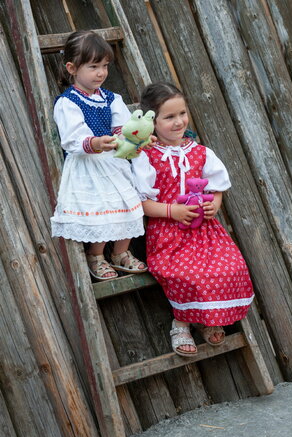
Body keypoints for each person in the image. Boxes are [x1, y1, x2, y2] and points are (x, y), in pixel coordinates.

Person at [132, 82, 254, 356]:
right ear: (152, 121)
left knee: (231, 266)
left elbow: (217, 186)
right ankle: (182, 323)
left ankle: (208, 319)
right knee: (188, 273)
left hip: (205, 232)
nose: (178, 122)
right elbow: (142, 202)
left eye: (182, 114)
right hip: (169, 234)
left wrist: (215, 205)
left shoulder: (200, 151)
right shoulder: (147, 157)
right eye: (169, 117)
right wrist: (172, 211)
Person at [51, 30, 148, 280]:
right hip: (88, 165)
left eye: (104, 66)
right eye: (94, 66)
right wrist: (94, 142)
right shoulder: (68, 102)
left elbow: (123, 128)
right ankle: (96, 255)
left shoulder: (111, 98)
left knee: (129, 204)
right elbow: (72, 138)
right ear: (72, 68)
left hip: (114, 162)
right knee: (101, 209)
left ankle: (120, 253)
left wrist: (138, 137)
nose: (101, 73)